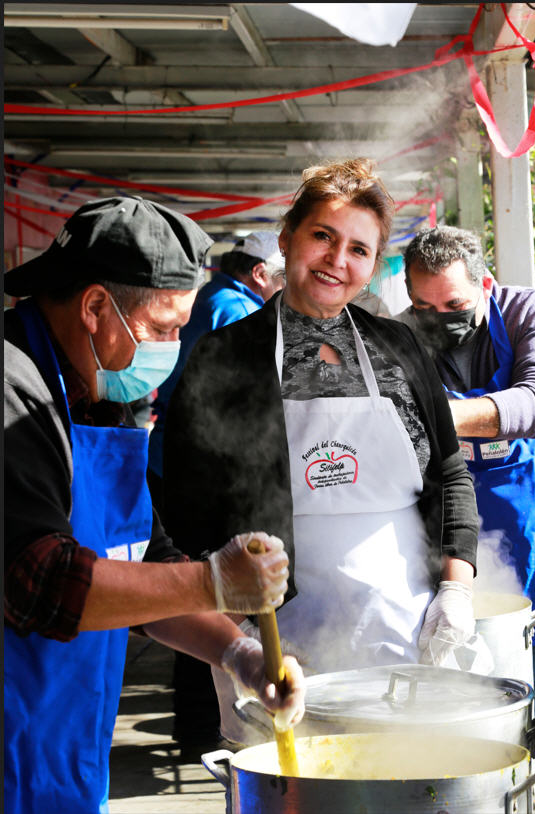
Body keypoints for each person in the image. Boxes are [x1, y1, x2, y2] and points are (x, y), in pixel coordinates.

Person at [3, 196, 305, 814]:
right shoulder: (14, 392)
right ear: (95, 308)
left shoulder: (97, 392)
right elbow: (45, 582)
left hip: (64, 748)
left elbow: (141, 558)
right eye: (164, 329)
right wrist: (213, 581)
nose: (171, 349)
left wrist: (237, 653)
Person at [163, 159, 480, 746]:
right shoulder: (225, 356)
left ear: (372, 267)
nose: (338, 260)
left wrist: (457, 590)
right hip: (280, 646)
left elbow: (450, 474)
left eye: (359, 249)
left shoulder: (398, 346)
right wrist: (235, 639)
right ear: (287, 240)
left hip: (408, 629)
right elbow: (179, 509)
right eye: (323, 236)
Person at [397, 224, 535, 798]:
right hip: (447, 534)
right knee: (470, 689)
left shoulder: (528, 311)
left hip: (531, 523)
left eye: (455, 304)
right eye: (424, 306)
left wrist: (439, 418)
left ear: (484, 283)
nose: (440, 317)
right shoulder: (403, 337)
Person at [146, 229, 285, 754]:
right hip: (202, 470)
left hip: (173, 463)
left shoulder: (211, 297)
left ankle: (194, 727)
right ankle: (201, 729)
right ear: (258, 275)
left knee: (189, 584)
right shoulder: (234, 309)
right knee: (206, 589)